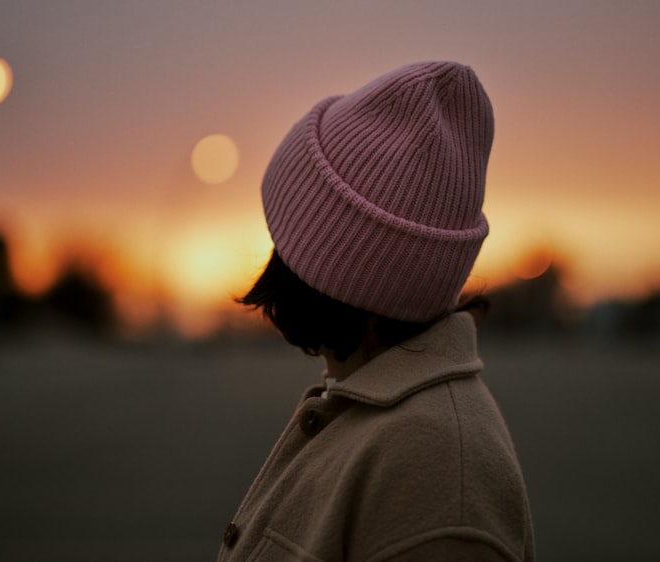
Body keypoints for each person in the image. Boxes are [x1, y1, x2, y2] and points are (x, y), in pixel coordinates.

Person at [218, 61, 535, 561]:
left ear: (329, 271)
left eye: (286, 237)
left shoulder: (435, 479)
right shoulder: (378, 413)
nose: (272, 256)